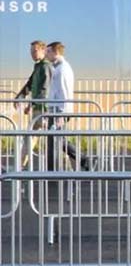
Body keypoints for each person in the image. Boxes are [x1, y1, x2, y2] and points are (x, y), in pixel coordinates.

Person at [45, 41, 92, 171]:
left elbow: (65, 92)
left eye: (48, 51)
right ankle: (55, 169)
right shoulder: (58, 68)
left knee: (59, 141)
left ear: (56, 52)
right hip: (55, 109)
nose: (46, 54)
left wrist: (63, 114)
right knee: (57, 140)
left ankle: (83, 160)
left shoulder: (63, 69)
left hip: (59, 110)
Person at [15, 40, 52, 169]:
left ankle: (78, 158)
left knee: (55, 139)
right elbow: (30, 83)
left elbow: (44, 88)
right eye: (31, 51)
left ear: (43, 50)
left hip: (44, 108)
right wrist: (20, 96)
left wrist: (31, 103)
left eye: (35, 50)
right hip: (38, 108)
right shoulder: (38, 66)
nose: (32, 53)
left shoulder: (46, 67)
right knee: (30, 137)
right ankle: (19, 167)